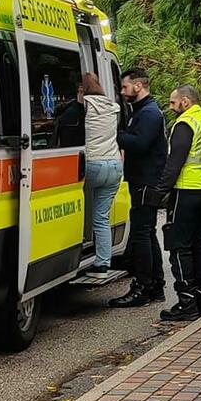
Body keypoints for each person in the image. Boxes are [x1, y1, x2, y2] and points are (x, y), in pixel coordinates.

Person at [154, 85, 201, 322]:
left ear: (184, 102)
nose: (171, 108)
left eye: (173, 103)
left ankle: (186, 301)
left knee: (179, 245)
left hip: (185, 191)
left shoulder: (185, 124)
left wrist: (158, 192)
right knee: (200, 244)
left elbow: (175, 162)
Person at [109, 68, 168, 308]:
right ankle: (155, 284)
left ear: (138, 86)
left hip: (147, 181)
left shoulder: (150, 113)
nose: (122, 92)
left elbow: (141, 144)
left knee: (142, 233)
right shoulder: (141, 111)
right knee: (147, 232)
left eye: (125, 87)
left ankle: (143, 286)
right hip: (142, 179)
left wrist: (116, 135)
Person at [80, 73, 123, 275]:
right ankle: (103, 262)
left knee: (78, 207)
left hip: (93, 164)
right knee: (101, 217)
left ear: (83, 88)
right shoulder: (113, 107)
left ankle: (78, 245)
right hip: (114, 165)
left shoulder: (85, 106)